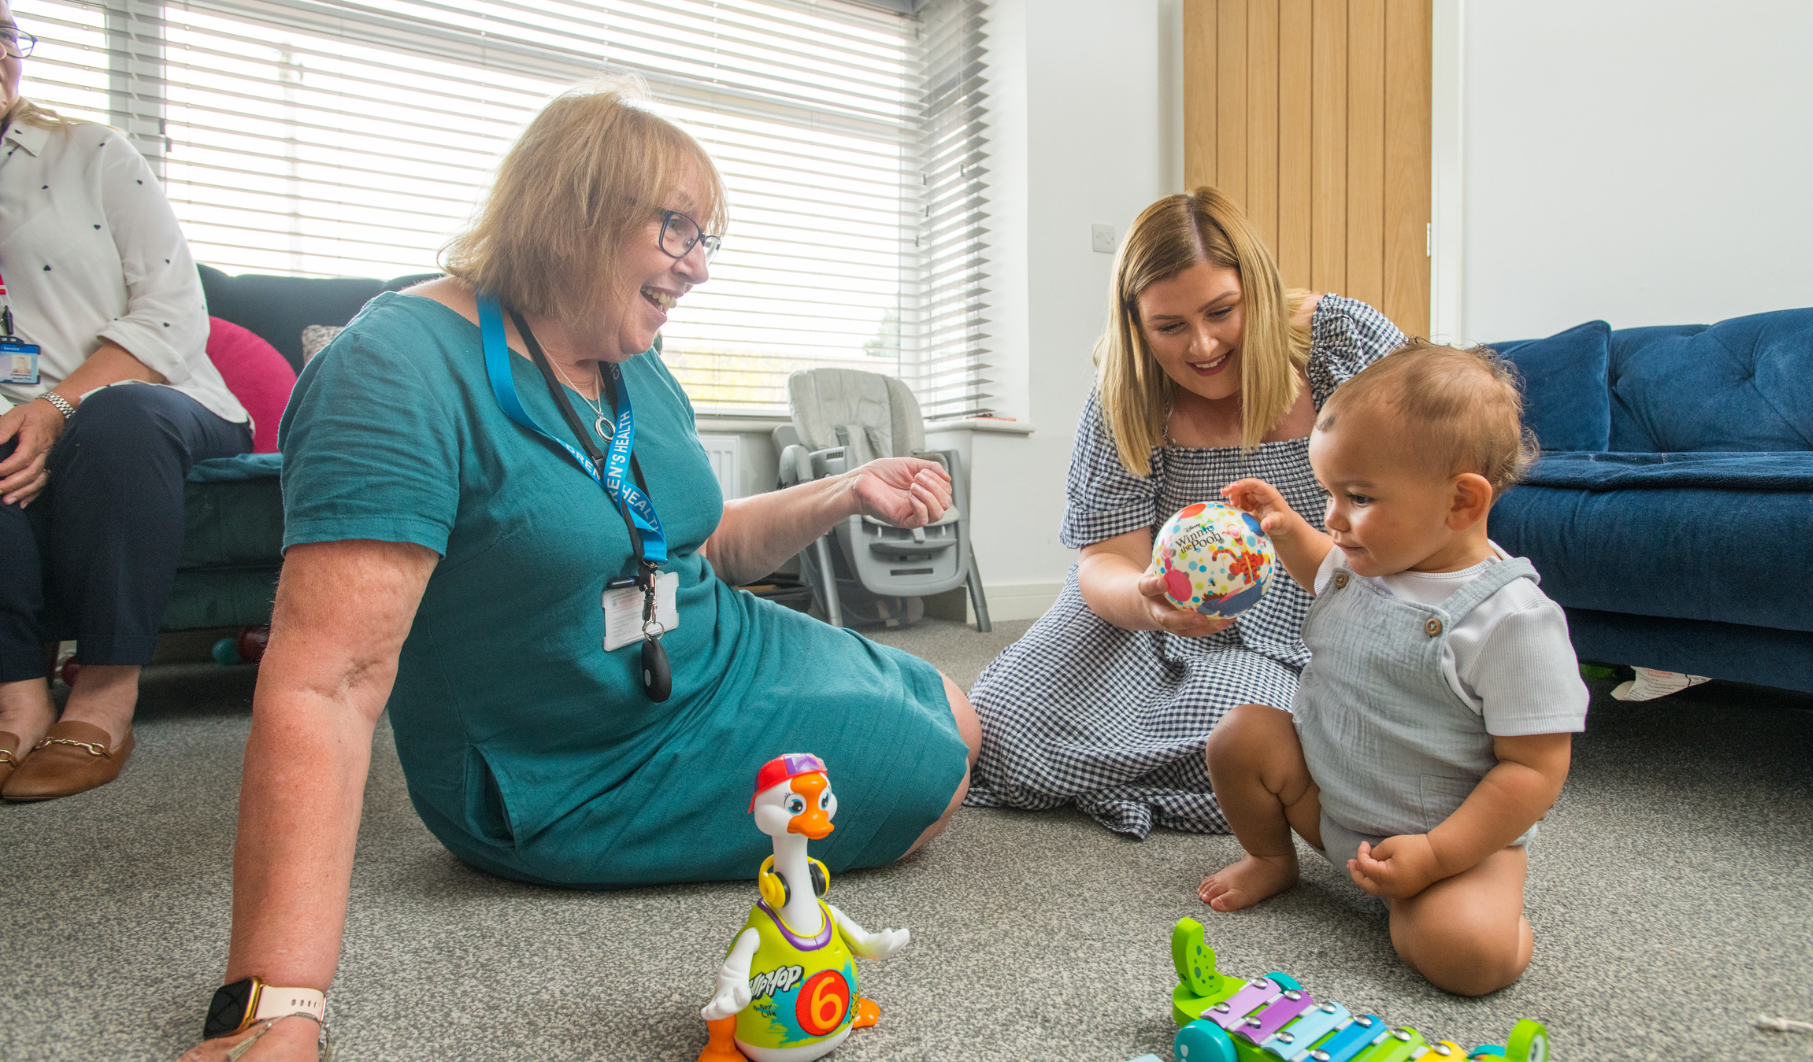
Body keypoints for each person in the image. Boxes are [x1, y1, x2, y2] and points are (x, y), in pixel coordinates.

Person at [178, 80, 979, 1061]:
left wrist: (846, 490)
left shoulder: (627, 355)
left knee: (953, 702)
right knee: (940, 769)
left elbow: (696, 542)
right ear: (573, 205)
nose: (697, 269)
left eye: (707, 241)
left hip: (709, 649)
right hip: (569, 763)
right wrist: (275, 1000)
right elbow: (328, 683)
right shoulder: (396, 367)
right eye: (677, 230)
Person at [966, 187, 1405, 837]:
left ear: (1254, 289)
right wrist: (1147, 602)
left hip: (1306, 624)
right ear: (1136, 326)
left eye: (1221, 312)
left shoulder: (1341, 344)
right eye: (1169, 327)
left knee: (1269, 730)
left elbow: (1429, 469)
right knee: (998, 725)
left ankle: (1203, 770)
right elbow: (1108, 559)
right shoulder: (1128, 388)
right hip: (1151, 613)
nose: (1201, 346)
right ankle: (1219, 779)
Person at [1202, 340, 1588, 996]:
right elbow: (1322, 568)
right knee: (1240, 735)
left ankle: (1486, 909)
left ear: (1461, 504)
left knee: (1466, 957)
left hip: (1446, 843)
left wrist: (1438, 856)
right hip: (1327, 805)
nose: (1333, 518)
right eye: (1327, 492)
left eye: (1356, 497)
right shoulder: (1365, 563)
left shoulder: (1510, 620)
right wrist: (1283, 527)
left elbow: (1534, 771)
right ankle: (1272, 859)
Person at [0, 1, 253, 802]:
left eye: (5, 35)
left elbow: (174, 312)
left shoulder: (91, 152)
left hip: (155, 395)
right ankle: (15, 693)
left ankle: (106, 693)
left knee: (111, 418)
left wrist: (56, 408)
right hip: (18, 411)